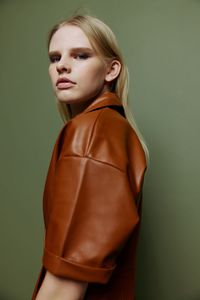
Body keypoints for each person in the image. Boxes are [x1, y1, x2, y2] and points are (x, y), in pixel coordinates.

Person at [31, 13, 149, 300]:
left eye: (81, 56)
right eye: (54, 58)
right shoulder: (113, 128)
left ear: (111, 70)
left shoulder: (92, 132)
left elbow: (66, 282)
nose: (62, 66)